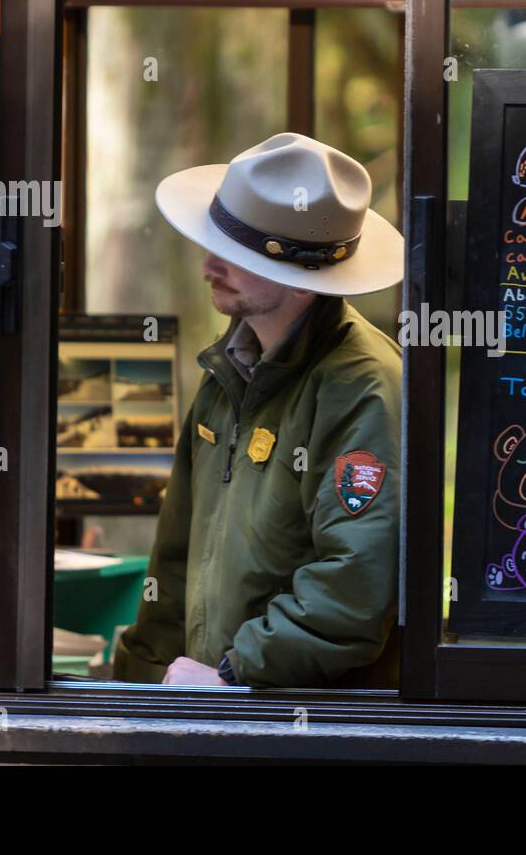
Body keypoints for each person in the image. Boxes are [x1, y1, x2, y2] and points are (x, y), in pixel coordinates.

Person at [112, 133, 404, 688]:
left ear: (300, 282)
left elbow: (355, 585)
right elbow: (175, 559)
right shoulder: (226, 368)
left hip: (298, 723)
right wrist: (138, 687)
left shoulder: (361, 386)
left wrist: (231, 674)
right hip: (218, 706)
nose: (208, 265)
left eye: (237, 255)